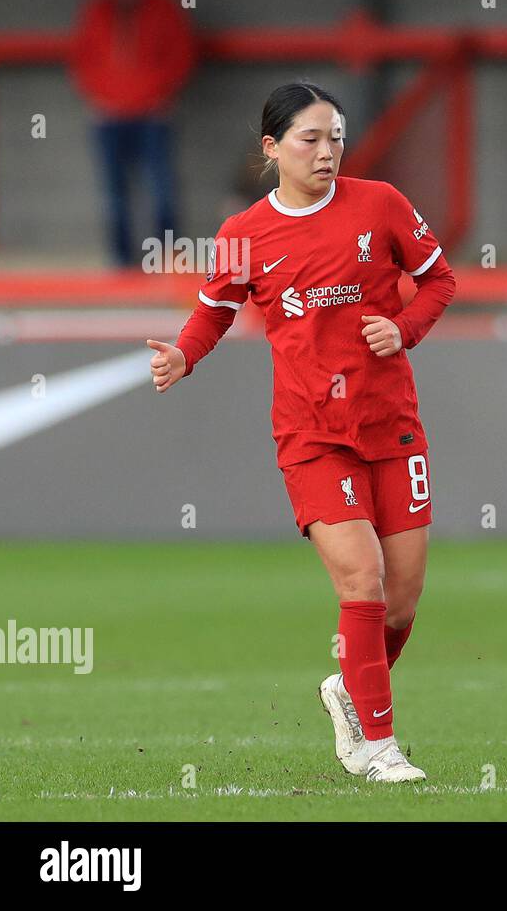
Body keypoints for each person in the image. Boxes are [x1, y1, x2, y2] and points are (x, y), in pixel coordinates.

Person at [146, 82, 456, 781]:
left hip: (393, 426)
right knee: (363, 578)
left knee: (402, 599)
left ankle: (348, 689)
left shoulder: (381, 204)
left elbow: (439, 282)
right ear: (271, 147)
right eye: (310, 138)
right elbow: (214, 311)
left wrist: (401, 328)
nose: (326, 151)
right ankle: (377, 745)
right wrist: (181, 355)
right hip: (312, 432)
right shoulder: (244, 234)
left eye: (336, 137)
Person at [71, 0, 196, 268]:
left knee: (162, 189)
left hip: (152, 116)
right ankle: (122, 265)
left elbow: (181, 54)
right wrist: (98, 96)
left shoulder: (163, 7)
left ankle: (168, 262)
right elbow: (81, 56)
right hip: (108, 118)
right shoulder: (97, 9)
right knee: (114, 196)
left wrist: (161, 94)